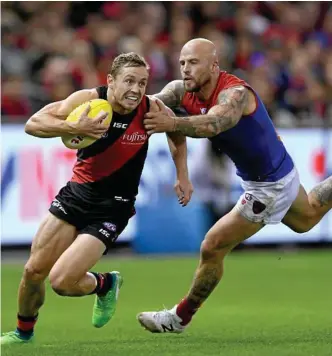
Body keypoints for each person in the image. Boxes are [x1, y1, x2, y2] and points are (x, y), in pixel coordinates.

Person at [137, 38, 332, 333]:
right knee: (307, 218)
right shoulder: (181, 90)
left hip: (270, 186)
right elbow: (156, 109)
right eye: (182, 63)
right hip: (275, 172)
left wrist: (171, 124)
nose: (186, 69)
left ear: (214, 66)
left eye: (193, 62)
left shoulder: (235, 94)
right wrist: (182, 174)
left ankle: (179, 318)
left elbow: (214, 124)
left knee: (213, 246)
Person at [1, 52, 193, 345]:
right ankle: (23, 334)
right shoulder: (89, 101)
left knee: (62, 283)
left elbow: (176, 134)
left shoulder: (152, 109)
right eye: (129, 80)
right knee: (33, 271)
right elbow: (34, 123)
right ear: (111, 81)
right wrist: (73, 127)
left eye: (142, 82)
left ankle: (106, 283)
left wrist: (182, 175)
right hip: (77, 195)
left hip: (113, 207)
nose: (136, 89)